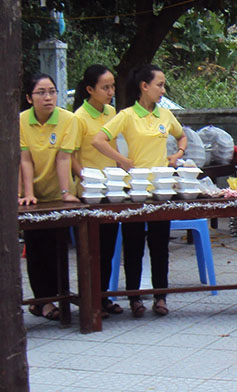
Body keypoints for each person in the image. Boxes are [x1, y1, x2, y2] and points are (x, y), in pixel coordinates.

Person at [93, 64, 187, 318]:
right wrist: (122, 160)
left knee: (160, 246)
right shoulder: (126, 115)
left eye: (163, 85)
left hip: (160, 190)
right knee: (133, 246)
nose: (162, 90)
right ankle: (134, 298)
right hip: (134, 191)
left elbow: (182, 136)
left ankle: (160, 297)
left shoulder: (165, 115)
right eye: (159, 85)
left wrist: (177, 154)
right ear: (144, 86)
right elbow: (98, 140)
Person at [19, 73, 81, 321]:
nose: (48, 97)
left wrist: (66, 193)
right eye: (41, 92)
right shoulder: (21, 121)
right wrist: (28, 194)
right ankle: (42, 301)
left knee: (58, 246)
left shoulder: (68, 120)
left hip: (58, 193)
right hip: (31, 193)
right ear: (29, 97)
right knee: (36, 247)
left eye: (52, 91)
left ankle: (58, 296)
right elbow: (24, 159)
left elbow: (64, 157)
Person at [73, 64, 122, 318]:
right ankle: (90, 298)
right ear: (90, 89)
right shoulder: (79, 117)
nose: (110, 91)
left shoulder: (112, 112)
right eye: (105, 87)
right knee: (90, 248)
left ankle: (103, 296)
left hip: (110, 188)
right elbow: (71, 155)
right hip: (90, 192)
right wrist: (85, 177)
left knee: (108, 247)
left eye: (112, 86)